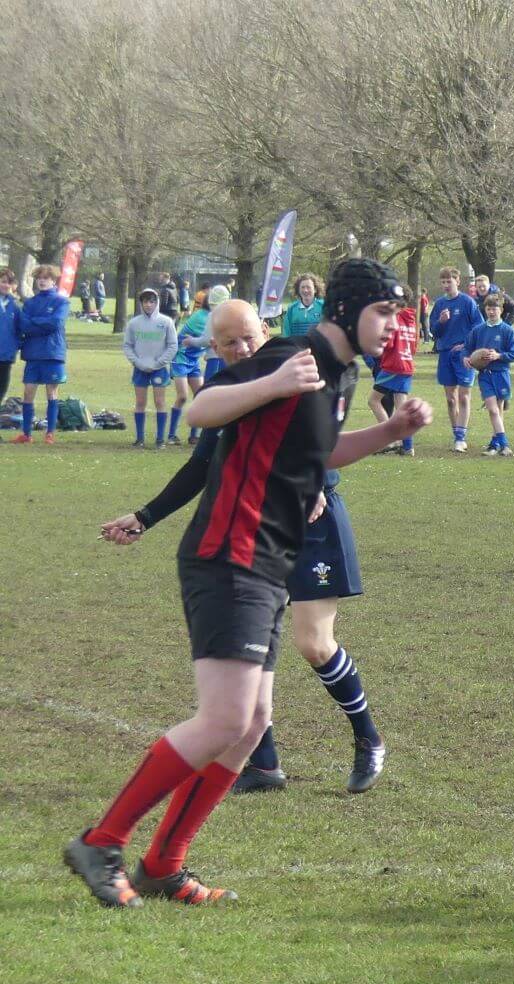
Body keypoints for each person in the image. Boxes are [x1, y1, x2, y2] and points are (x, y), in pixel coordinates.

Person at [64, 261, 428, 909]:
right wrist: (274, 381)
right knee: (226, 717)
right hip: (228, 551)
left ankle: (163, 864)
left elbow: (320, 453)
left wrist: (391, 432)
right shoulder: (297, 352)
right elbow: (203, 410)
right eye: (383, 314)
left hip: (268, 559)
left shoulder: (341, 371)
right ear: (346, 312)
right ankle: (102, 840)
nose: (392, 327)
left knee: (252, 719)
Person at [101, 299, 394, 796]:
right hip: (253, 526)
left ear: (266, 329)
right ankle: (263, 764)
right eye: (229, 343)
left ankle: (369, 740)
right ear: (213, 347)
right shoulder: (230, 389)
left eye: (249, 338)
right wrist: (145, 517)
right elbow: (202, 465)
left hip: (311, 523)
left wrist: (312, 481)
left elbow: (323, 440)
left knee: (313, 643)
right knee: (249, 643)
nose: (242, 349)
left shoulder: (303, 369)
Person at [11, 265, 68, 445]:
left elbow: (56, 323)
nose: (42, 281)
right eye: (39, 278)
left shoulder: (61, 302)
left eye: (46, 278)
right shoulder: (29, 303)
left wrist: (35, 323)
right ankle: (26, 434)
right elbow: (24, 325)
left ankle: (49, 433)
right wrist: (41, 324)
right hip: (33, 354)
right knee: (28, 392)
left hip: (52, 353)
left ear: (53, 280)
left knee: (52, 392)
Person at [430, 267, 482, 451]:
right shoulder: (438, 305)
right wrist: (441, 322)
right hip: (445, 354)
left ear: (457, 281)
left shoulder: (467, 302)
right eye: (443, 282)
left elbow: (479, 327)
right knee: (451, 399)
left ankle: (461, 438)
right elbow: (434, 332)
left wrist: (467, 345)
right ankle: (456, 434)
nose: (445, 285)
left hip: (464, 356)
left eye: (449, 281)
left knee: (464, 396)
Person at [121, 288, 178, 447]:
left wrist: (159, 363)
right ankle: (140, 439)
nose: (148, 305)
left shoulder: (166, 322)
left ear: (157, 302)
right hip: (140, 369)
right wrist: (138, 363)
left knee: (160, 402)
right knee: (140, 402)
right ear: (141, 303)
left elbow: (173, 346)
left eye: (152, 301)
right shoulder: (134, 323)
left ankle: (160, 439)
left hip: (159, 368)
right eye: (145, 301)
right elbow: (127, 346)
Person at [466, 293, 514, 456]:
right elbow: (467, 348)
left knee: (499, 410)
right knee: (493, 409)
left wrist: (499, 356)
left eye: (494, 309)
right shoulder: (479, 330)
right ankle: (504, 444)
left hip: (502, 374)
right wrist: (467, 358)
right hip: (485, 375)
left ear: (501, 310)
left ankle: (494, 444)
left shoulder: (507, 331)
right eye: (488, 309)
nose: (491, 312)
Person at [369, 307, 418, 455]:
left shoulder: (394, 318)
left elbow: (388, 343)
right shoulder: (411, 320)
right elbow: (414, 347)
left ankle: (389, 441)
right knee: (402, 408)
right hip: (407, 365)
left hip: (393, 366)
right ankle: (408, 447)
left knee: (373, 400)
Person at [281, 274, 326, 339]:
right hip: (297, 348)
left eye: (308, 287)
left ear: (315, 289)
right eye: (302, 287)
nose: (305, 290)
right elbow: (286, 333)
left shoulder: (323, 306)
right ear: (298, 290)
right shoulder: (292, 309)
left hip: (318, 347)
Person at [0, 269, 19, 406]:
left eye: (9, 283)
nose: (6, 285)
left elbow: (20, 328)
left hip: (6, 354)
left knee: (2, 385)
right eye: (3, 282)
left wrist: (16, 345)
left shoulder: (15, 306)